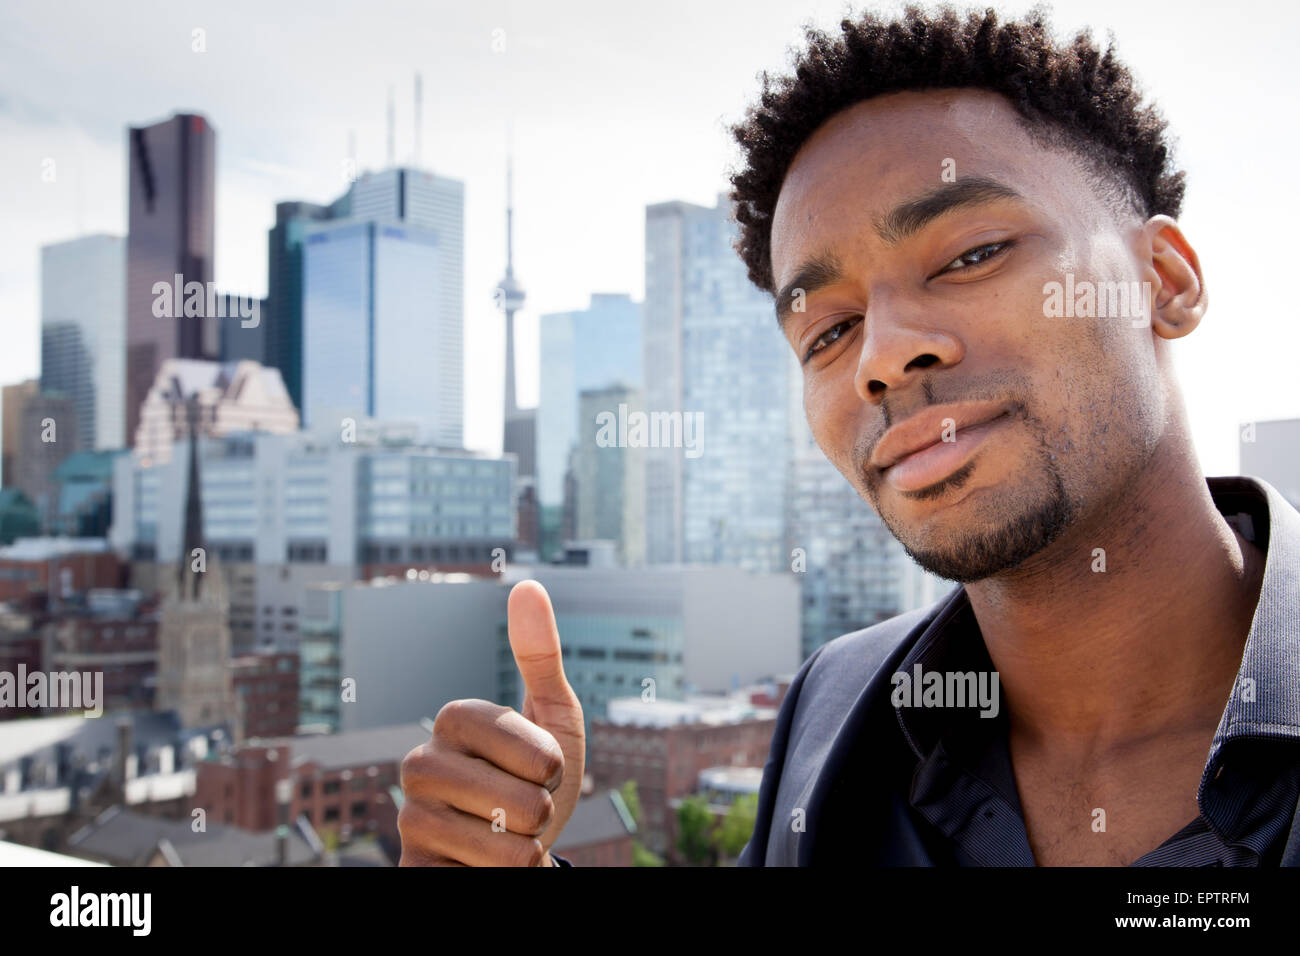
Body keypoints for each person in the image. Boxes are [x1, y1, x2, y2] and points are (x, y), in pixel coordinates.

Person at [397, 5, 1300, 867]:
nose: (883, 356)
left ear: (1164, 281)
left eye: (970, 255)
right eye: (826, 332)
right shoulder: (832, 714)